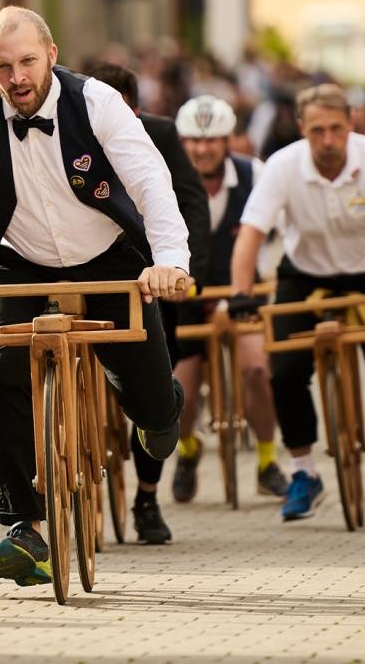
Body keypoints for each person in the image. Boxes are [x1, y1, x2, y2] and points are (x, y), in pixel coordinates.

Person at [0, 6, 190, 585]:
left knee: (153, 408)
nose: (17, 77)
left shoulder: (96, 101)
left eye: (27, 62)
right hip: (13, 259)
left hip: (107, 254)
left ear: (52, 56)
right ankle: (23, 528)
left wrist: (170, 261)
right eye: (3, 66)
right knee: (1, 368)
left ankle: (159, 407)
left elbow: (149, 179)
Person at [229, 84, 365, 522]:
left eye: (336, 129)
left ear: (350, 124)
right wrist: (240, 292)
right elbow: (250, 235)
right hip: (305, 273)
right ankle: (304, 471)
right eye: (317, 130)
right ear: (302, 129)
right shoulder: (283, 166)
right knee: (284, 371)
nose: (327, 140)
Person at [84, 62, 210, 545]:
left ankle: (147, 495)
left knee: (155, 386)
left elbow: (190, 203)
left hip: (151, 272)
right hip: (83, 268)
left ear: (133, 109)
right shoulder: (65, 130)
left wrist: (183, 270)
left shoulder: (159, 133)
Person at [168, 94, 288, 505]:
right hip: (184, 292)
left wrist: (272, 270)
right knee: (177, 387)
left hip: (241, 292)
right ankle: (187, 450)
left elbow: (283, 228)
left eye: (213, 140)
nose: (203, 149)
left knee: (257, 368)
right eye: (194, 141)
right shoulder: (163, 176)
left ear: (228, 140)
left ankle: (268, 462)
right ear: (181, 142)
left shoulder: (254, 173)